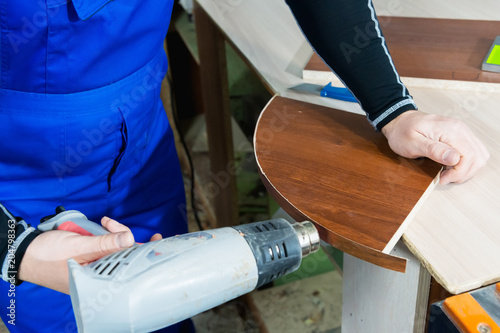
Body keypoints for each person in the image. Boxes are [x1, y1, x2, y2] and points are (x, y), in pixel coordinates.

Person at [0, 0, 489, 332]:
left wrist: (391, 108)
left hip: (139, 141)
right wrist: (17, 249)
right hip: (20, 183)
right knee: (74, 318)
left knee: (162, 300)